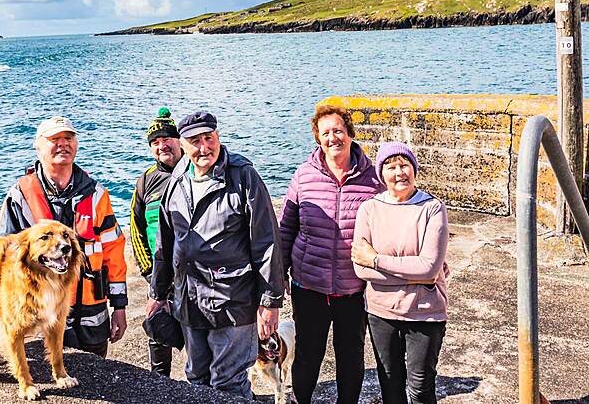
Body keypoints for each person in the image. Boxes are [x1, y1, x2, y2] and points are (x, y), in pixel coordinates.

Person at [147, 111, 284, 400]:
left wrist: (270, 302)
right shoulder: (176, 181)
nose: (204, 147)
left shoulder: (243, 176)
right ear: (183, 144)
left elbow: (267, 242)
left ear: (218, 137)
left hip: (233, 300)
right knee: (196, 377)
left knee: (229, 381)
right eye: (195, 141)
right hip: (189, 300)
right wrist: (158, 292)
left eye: (209, 138)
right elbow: (165, 242)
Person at [0, 116, 127, 357]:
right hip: (41, 311)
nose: (62, 144)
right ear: (38, 146)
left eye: (68, 138)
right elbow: (1, 257)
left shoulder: (96, 194)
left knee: (98, 377)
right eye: (54, 139)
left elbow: (113, 250)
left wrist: (119, 306)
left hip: (91, 313)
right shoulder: (20, 196)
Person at [279, 105, 385, 404]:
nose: (332, 137)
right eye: (325, 133)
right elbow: (286, 227)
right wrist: (280, 272)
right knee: (308, 355)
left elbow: (391, 225)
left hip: (353, 288)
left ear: (350, 134)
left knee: (350, 357)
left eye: (338, 130)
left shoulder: (373, 179)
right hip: (308, 284)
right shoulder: (304, 176)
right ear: (317, 139)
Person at [352, 142, 448, 404]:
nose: (399, 173)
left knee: (420, 388)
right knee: (390, 386)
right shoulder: (369, 209)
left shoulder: (432, 208)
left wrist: (376, 260)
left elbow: (429, 269)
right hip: (381, 312)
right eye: (391, 167)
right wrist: (412, 271)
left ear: (414, 169)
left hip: (424, 312)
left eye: (404, 165)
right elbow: (360, 268)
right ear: (382, 174)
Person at [130, 107, 184, 376]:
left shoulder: (194, 170)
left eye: (167, 139)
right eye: (155, 142)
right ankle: (160, 381)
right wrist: (150, 271)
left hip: (195, 273)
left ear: (179, 140)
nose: (162, 145)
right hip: (159, 273)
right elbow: (136, 229)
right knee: (158, 328)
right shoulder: (145, 181)